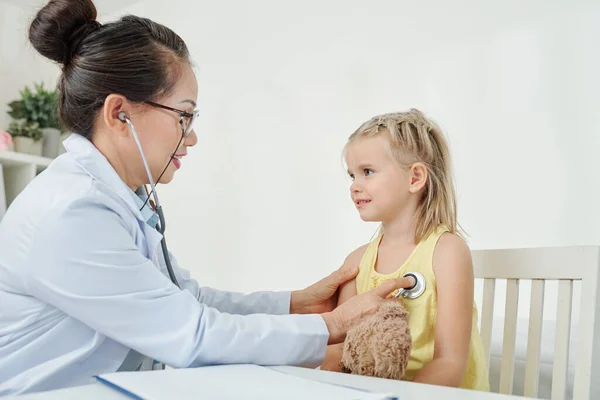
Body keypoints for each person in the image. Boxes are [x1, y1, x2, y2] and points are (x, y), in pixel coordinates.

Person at [0, 0, 415, 395]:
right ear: (118, 114)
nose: (192, 137)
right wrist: (332, 325)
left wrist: (296, 305)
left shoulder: (117, 199)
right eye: (183, 116)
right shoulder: (71, 212)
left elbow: (188, 300)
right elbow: (192, 334)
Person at [319, 109, 490, 391]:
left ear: (415, 178)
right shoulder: (357, 262)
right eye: (352, 176)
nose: (354, 187)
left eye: (367, 172)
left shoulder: (448, 253)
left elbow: (450, 363)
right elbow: (342, 353)